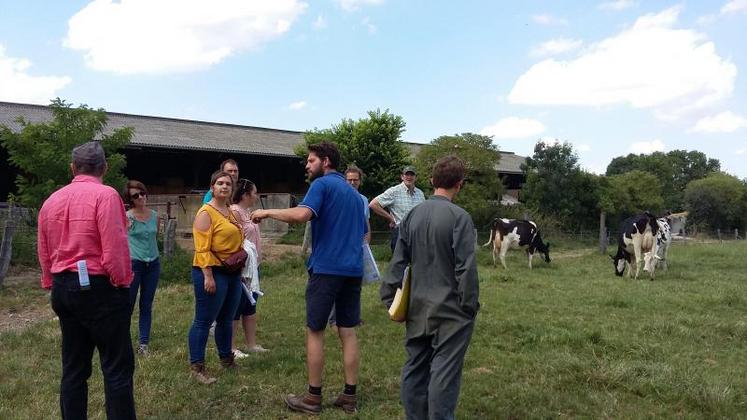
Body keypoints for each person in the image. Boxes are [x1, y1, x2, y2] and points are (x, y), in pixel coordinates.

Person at [252, 143, 367, 415]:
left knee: (315, 330)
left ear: (325, 162)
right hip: (353, 270)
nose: (306, 165)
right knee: (347, 330)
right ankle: (349, 396)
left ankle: (313, 398)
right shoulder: (354, 195)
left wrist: (266, 212)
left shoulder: (322, 185)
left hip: (327, 269)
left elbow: (302, 215)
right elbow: (363, 232)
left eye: (310, 160)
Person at [37, 141, 136, 419]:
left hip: (62, 286)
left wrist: (50, 282)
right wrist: (121, 283)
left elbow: (43, 249)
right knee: (116, 367)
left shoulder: (51, 200)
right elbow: (115, 248)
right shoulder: (106, 196)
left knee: (74, 367)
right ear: (104, 167)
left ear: (73, 168)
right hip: (99, 287)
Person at [380, 155, 480, 420]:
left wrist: (389, 298)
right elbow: (466, 269)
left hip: (417, 308)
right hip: (451, 311)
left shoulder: (412, 215)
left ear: (432, 181)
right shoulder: (460, 218)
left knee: (415, 369)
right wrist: (469, 306)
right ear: (460, 184)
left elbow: (398, 262)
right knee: (443, 375)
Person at [188, 170, 244, 384]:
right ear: (212, 187)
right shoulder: (206, 213)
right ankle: (197, 367)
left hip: (232, 271)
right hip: (211, 270)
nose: (224, 187)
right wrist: (208, 276)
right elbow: (201, 248)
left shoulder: (230, 212)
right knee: (204, 320)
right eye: (220, 183)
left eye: (228, 184)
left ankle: (226, 360)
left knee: (226, 319)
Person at [230, 178, 269, 357]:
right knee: (236, 306)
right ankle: (231, 347)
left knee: (250, 306)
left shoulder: (247, 212)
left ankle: (251, 344)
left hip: (254, 267)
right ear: (245, 195)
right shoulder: (235, 212)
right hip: (242, 267)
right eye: (254, 192)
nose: (256, 196)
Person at [328, 165, 371, 329]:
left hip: (357, 247)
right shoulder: (337, 197)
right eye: (349, 179)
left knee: (355, 285)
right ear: (344, 181)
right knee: (336, 283)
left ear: (360, 181)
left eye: (355, 180)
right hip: (340, 247)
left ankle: (353, 318)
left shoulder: (364, 200)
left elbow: (365, 223)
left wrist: (366, 242)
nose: (352, 182)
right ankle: (333, 319)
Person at [124, 180, 160, 356]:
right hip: (134, 263)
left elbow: (155, 235)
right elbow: (120, 239)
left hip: (153, 263)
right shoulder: (126, 217)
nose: (140, 197)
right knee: (128, 303)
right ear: (130, 199)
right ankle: (122, 341)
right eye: (135, 195)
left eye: (142, 193)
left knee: (146, 303)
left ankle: (143, 343)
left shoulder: (154, 215)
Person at [369, 165, 425, 252]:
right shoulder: (394, 191)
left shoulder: (420, 194)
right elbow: (373, 204)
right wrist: (390, 218)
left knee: (416, 263)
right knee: (400, 264)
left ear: (416, 177)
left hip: (416, 234)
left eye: (412, 175)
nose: (409, 177)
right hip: (400, 233)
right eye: (407, 175)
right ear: (402, 177)